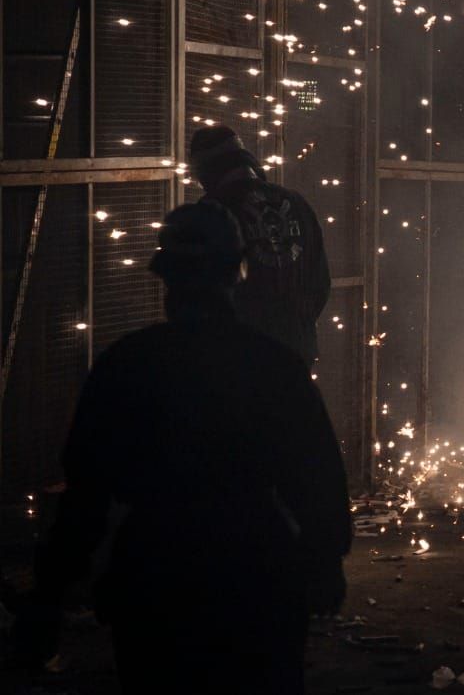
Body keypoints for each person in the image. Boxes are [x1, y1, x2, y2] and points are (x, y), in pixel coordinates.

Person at [14, 202, 352, 694]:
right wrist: (325, 561)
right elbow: (317, 476)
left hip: (158, 577)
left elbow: (84, 496)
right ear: (237, 273)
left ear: (165, 278)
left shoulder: (128, 364)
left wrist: (47, 596)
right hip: (255, 575)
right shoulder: (272, 366)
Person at [189, 125, 330, 366]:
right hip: (297, 352)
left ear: (207, 171)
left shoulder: (211, 212)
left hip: (239, 360)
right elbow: (320, 282)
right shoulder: (296, 202)